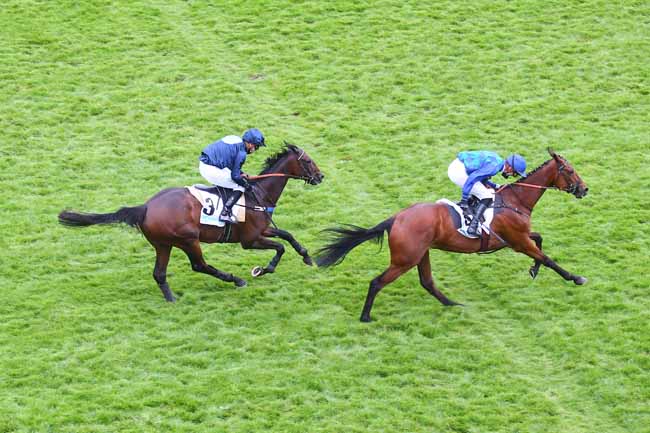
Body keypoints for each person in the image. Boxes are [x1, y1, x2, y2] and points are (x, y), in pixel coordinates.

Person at [447, 151, 527, 237]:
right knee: (487, 196)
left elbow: (481, 176)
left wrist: (495, 186)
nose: (511, 175)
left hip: (458, 166)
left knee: (484, 190)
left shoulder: (497, 161)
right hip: (459, 172)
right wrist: (464, 199)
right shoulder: (494, 167)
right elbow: (472, 178)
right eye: (514, 173)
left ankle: (471, 209)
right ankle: (472, 227)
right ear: (510, 168)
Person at [199, 128, 266, 223]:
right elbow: (235, 176)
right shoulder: (242, 153)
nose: (255, 149)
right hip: (211, 169)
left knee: (236, 180)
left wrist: (241, 173)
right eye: (256, 146)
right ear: (250, 144)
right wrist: (247, 186)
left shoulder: (235, 139)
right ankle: (225, 213)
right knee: (240, 186)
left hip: (207, 163)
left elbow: (229, 163)